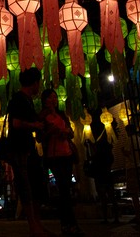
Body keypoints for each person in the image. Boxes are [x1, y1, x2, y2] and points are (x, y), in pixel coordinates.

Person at [7, 67, 52, 237]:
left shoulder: (27, 100)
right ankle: (33, 227)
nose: (39, 86)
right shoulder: (18, 99)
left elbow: (33, 119)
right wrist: (35, 126)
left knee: (35, 186)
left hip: (28, 148)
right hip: (19, 149)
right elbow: (17, 123)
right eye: (38, 83)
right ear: (34, 83)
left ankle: (38, 225)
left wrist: (47, 111)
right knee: (26, 187)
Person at [39, 88, 82, 236]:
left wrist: (67, 132)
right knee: (64, 190)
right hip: (54, 156)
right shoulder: (42, 117)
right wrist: (51, 132)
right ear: (44, 100)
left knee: (66, 190)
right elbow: (40, 137)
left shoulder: (62, 114)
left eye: (55, 97)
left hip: (67, 154)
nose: (54, 100)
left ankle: (66, 224)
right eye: (50, 97)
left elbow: (71, 131)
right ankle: (71, 224)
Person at [88, 118, 118, 224]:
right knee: (111, 197)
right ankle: (115, 218)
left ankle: (106, 218)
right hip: (107, 176)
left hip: (100, 178)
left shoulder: (97, 156)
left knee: (104, 198)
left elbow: (93, 164)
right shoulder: (108, 155)